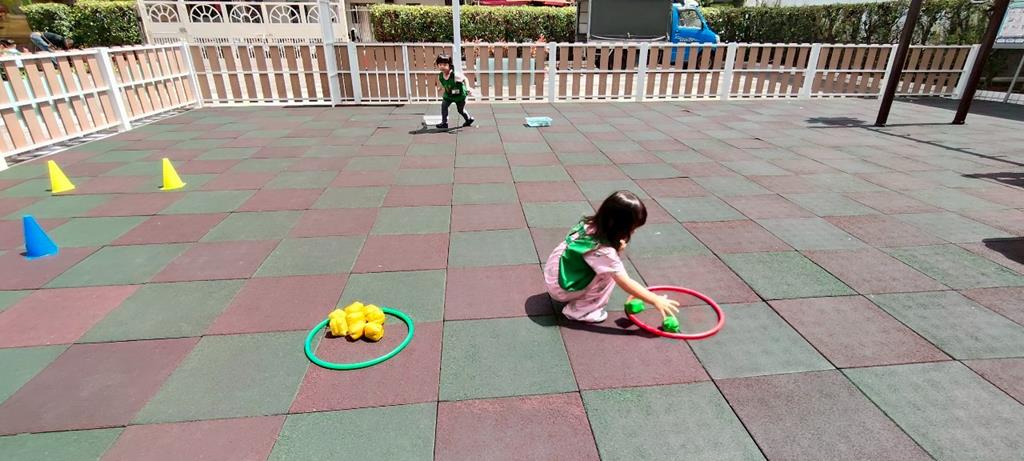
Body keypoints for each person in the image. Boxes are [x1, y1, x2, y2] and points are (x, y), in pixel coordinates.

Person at [545, 191, 681, 323]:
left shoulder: (589, 225)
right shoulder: (605, 252)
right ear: (619, 227)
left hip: (554, 273)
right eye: (631, 228)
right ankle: (583, 312)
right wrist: (655, 300)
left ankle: (576, 290)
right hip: (561, 289)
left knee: (606, 265)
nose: (633, 231)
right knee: (609, 275)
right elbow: (625, 282)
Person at [435, 54, 474, 130]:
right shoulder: (440, 75)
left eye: (445, 65)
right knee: (444, 106)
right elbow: (444, 82)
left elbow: (465, 79)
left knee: (460, 110)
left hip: (459, 95)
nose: (442, 67)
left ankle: (468, 119)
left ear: (449, 65)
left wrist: (468, 88)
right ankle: (444, 123)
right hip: (449, 95)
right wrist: (440, 87)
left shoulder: (455, 75)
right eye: (440, 64)